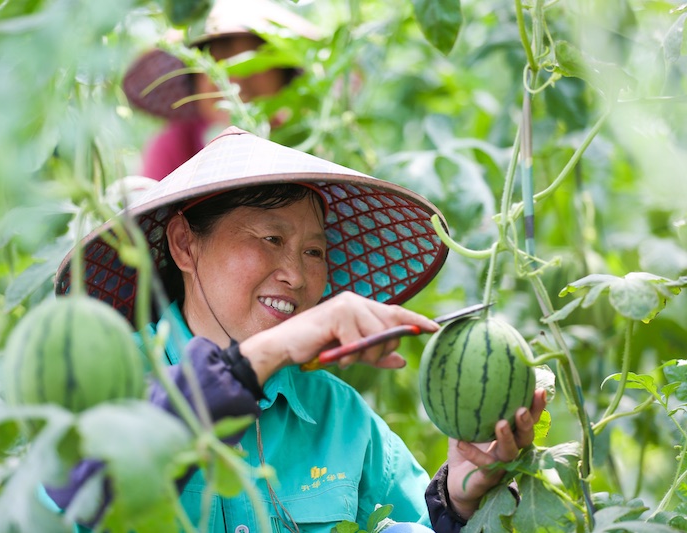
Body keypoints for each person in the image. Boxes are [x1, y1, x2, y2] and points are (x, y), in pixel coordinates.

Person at [50, 127, 547, 532]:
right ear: (184, 244)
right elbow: (69, 508)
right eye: (270, 238)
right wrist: (259, 359)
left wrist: (455, 503)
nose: (297, 274)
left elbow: (409, 520)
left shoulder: (338, 414)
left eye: (314, 252)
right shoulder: (107, 383)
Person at [123, 0, 319, 181]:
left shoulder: (306, 137)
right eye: (218, 63)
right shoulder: (174, 145)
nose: (237, 80)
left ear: (284, 73)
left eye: (253, 63)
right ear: (194, 80)